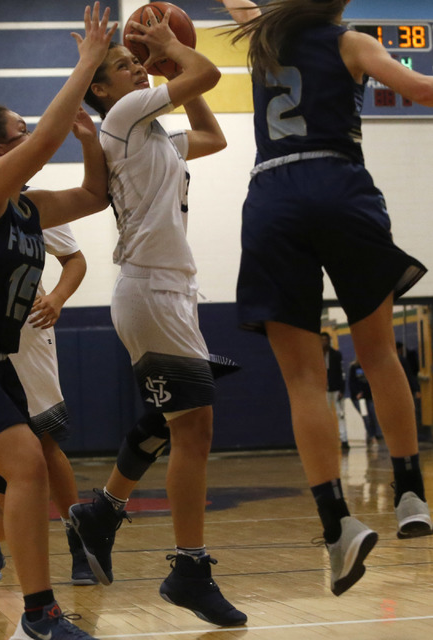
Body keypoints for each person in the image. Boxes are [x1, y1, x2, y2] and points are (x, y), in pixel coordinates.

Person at [218, 0, 433, 597]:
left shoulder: (260, 33)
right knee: (379, 351)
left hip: (274, 199)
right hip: (339, 186)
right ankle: (411, 492)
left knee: (304, 380)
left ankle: (337, 521)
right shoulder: (352, 42)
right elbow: (419, 88)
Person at [68, 8, 247, 628]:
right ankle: (189, 569)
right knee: (194, 428)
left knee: (173, 421)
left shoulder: (154, 136)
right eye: (125, 66)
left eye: (140, 64)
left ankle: (103, 511)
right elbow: (209, 74)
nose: (139, 72)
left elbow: (214, 134)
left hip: (173, 293)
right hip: (149, 290)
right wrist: (174, 51)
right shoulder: (120, 118)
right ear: (100, 89)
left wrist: (170, 64)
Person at [0, 3, 117, 638]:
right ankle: (40, 613)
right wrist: (88, 61)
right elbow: (43, 144)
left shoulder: (29, 207)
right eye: (17, 131)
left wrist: (93, 146)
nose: (31, 134)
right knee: (28, 466)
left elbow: (95, 196)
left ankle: (40, 612)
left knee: (29, 469)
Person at [0, 224, 97, 586]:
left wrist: (58, 298)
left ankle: (79, 538)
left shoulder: (32, 205)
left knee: (42, 443)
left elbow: (74, 259)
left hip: (25, 331)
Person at [321, 331, 349, 450]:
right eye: (321, 340)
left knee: (340, 415)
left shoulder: (336, 355)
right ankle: (327, 440)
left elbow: (342, 373)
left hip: (336, 389)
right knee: (325, 416)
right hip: (324, 390)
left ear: (329, 341)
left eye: (325, 340)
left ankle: (344, 440)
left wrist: (342, 390)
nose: (324, 342)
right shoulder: (316, 355)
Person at [348, 358, 382, 447]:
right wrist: (357, 393)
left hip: (369, 396)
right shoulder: (354, 367)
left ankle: (374, 434)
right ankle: (372, 436)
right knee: (366, 417)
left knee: (373, 415)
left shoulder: (371, 366)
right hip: (359, 398)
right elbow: (352, 382)